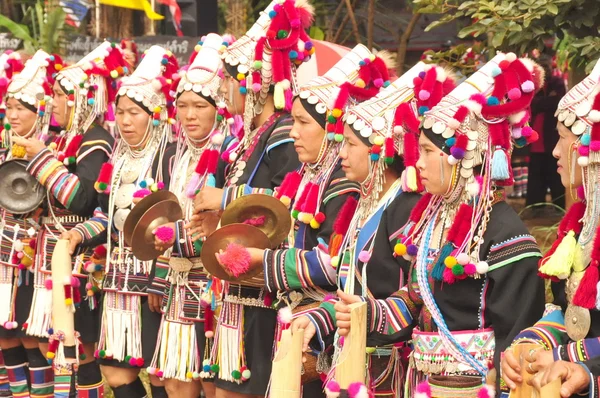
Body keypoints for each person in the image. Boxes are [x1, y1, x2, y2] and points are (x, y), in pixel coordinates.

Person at [332, 53, 547, 397]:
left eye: (428, 151)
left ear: (463, 158)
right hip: (424, 385)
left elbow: (517, 338)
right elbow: (418, 298)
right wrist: (370, 313)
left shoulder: (507, 237)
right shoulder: (432, 220)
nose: (417, 162)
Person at [214, 44, 394, 396]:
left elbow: (333, 263)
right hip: (297, 320)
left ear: (332, 130)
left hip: (323, 328)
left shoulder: (342, 185)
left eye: (302, 122)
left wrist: (262, 260)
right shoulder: (307, 176)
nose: (292, 131)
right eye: (292, 121)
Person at [291, 62, 454, 397]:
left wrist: (370, 316)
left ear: (379, 152)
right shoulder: (361, 205)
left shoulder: (406, 209)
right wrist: (321, 318)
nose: (341, 153)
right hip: (353, 362)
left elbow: (418, 295)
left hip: (389, 372)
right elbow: (348, 289)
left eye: (350, 144)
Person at [190, 1, 314, 397]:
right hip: (239, 287)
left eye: (230, 80)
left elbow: (286, 202)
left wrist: (223, 198)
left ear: (253, 83)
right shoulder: (249, 138)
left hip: (265, 291)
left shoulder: (282, 135)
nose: (224, 89)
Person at [62, 45, 179, 398]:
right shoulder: (117, 158)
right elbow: (106, 215)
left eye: (135, 113)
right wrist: (79, 234)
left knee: (161, 375)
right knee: (116, 373)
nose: (125, 121)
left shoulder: (170, 158)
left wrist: (161, 273)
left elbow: (178, 221)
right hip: (118, 277)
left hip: (157, 278)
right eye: (121, 112)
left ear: (154, 115)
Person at [501, 58, 600, 397]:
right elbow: (572, 314)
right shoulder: (582, 223)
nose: (555, 151)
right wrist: (532, 343)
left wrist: (572, 360)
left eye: (562, 139)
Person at [145, 33, 235, 398]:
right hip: (178, 283)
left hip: (215, 286)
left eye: (200, 105)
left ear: (218, 107)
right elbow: (164, 214)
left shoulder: (229, 152)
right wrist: (159, 275)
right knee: (176, 381)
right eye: (183, 105)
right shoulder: (173, 153)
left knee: (212, 384)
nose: (190, 115)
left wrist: (174, 237)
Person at [0, 49, 56, 398]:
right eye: (10, 107)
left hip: (37, 257)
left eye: (22, 108)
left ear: (40, 112)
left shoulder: (52, 147)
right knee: (5, 334)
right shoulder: (3, 146)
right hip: (4, 253)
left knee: (32, 335)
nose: (14, 114)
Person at [525, 53, 567, 212]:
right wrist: (546, 101)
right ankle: (535, 208)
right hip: (535, 138)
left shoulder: (557, 82)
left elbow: (558, 102)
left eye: (547, 66)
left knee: (555, 173)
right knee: (536, 175)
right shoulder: (533, 84)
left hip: (552, 136)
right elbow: (532, 104)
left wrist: (542, 102)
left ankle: (559, 207)